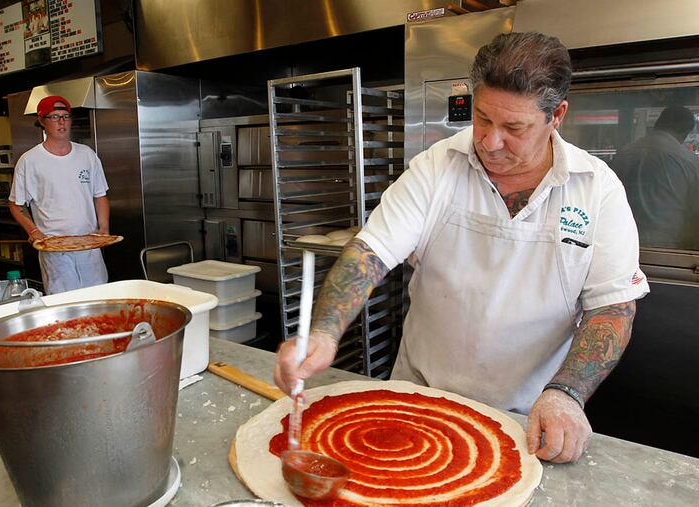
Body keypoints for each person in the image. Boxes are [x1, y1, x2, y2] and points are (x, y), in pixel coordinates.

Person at [274, 32, 649, 464]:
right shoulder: (438, 166)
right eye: (482, 118)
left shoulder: (595, 188)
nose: (490, 141)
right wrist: (323, 333)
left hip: (525, 420)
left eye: (513, 128)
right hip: (416, 401)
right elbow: (369, 253)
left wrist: (567, 394)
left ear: (557, 116)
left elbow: (612, 309)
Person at [8, 95, 110, 294]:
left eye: (66, 116)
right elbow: (16, 204)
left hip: (89, 246)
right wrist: (34, 232)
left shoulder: (87, 154)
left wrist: (104, 228)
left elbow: (100, 196)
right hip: (55, 250)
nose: (62, 122)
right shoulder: (30, 161)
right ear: (42, 122)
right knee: (65, 304)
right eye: (54, 117)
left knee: (99, 299)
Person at [610, 105, 699, 250]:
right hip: (668, 248)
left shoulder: (624, 153)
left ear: (658, 124)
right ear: (685, 133)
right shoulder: (689, 161)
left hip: (621, 241)